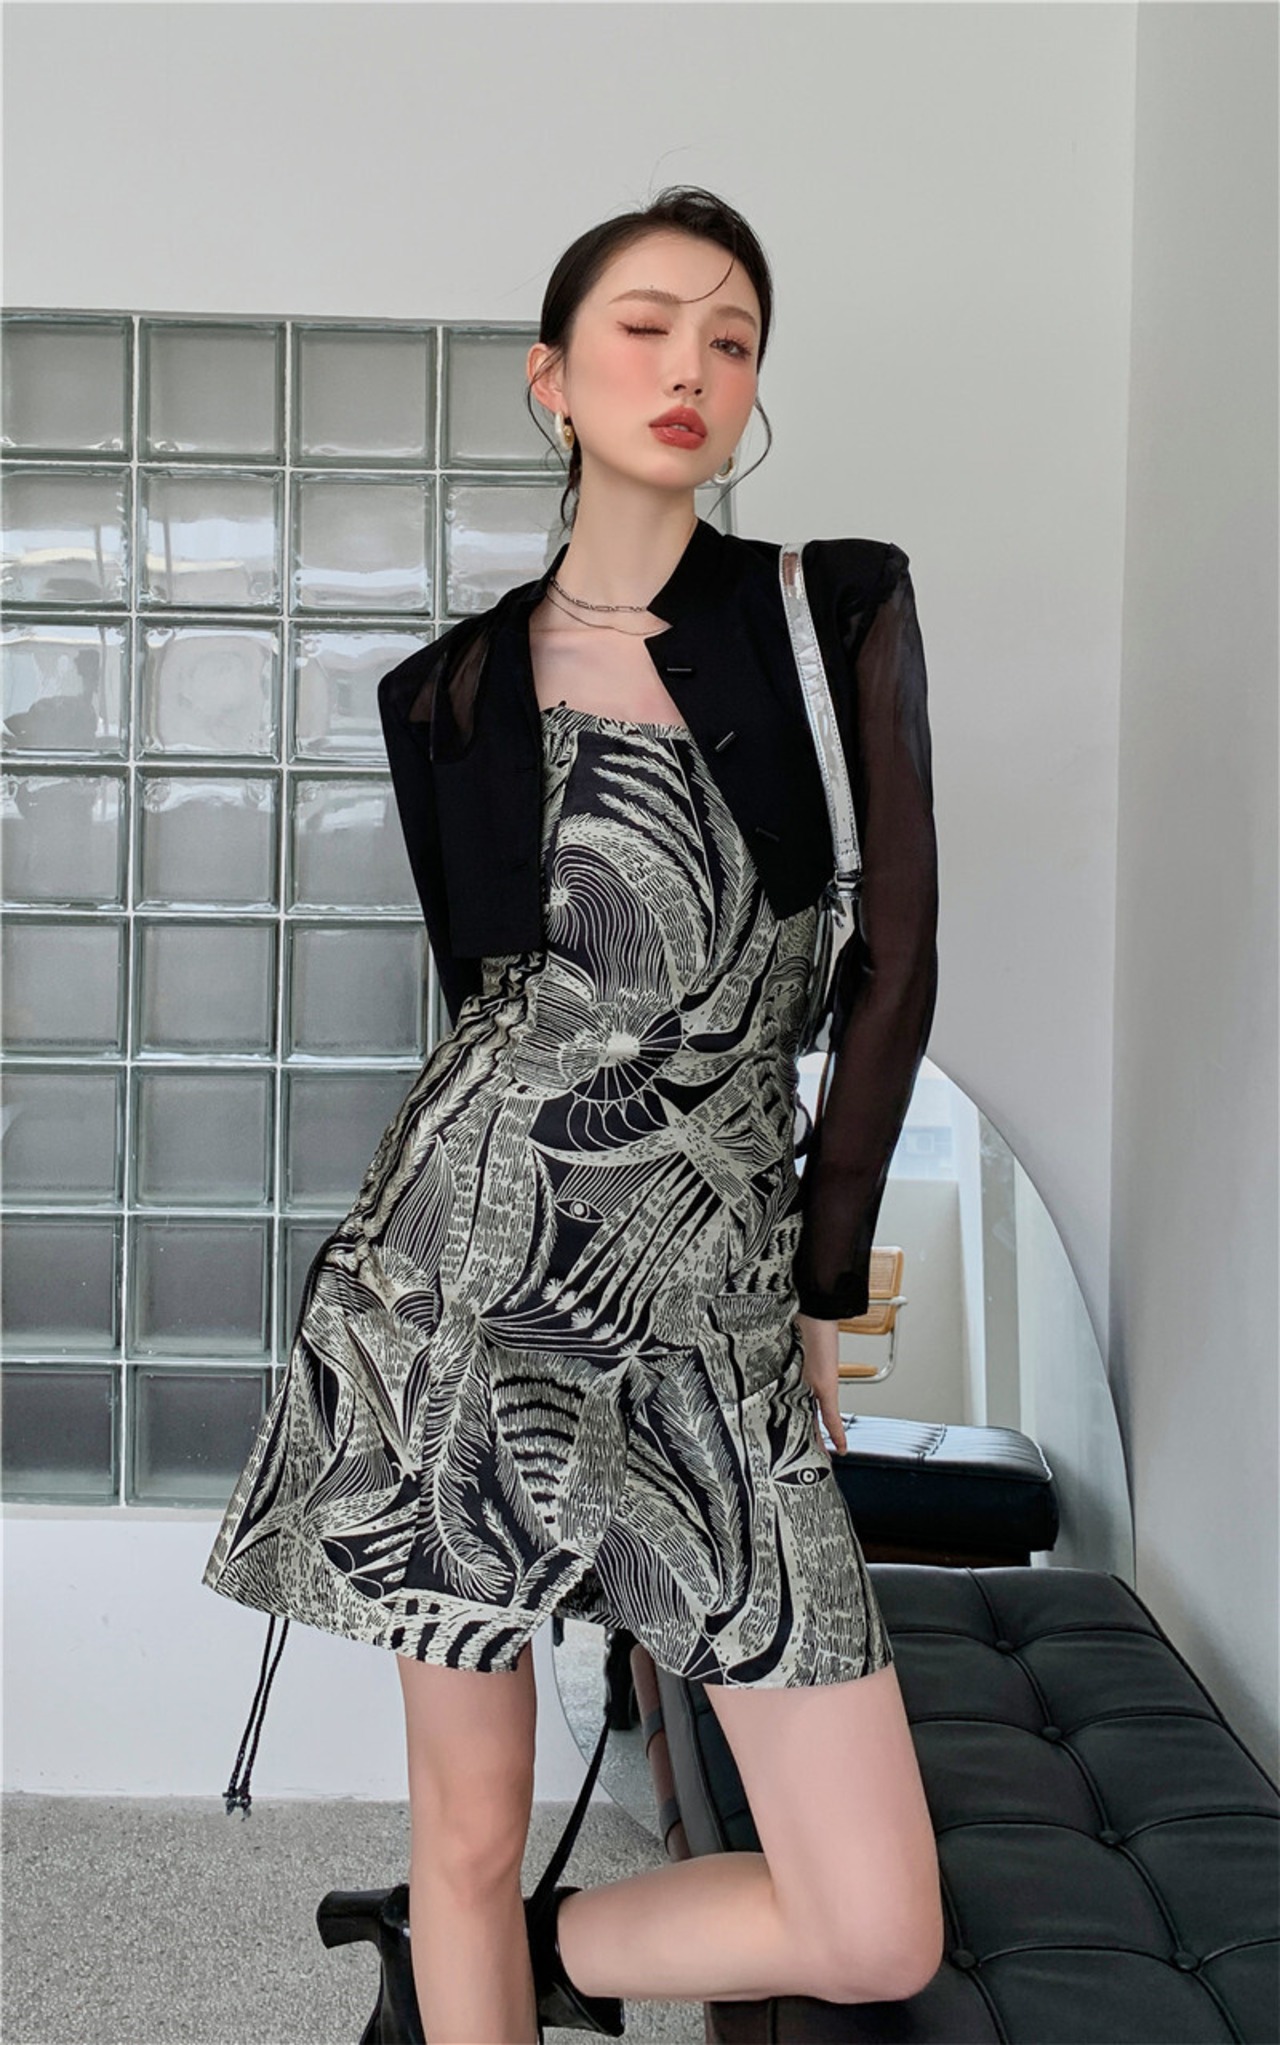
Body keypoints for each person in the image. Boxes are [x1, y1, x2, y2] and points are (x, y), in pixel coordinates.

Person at [203, 184, 944, 2042]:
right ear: (552, 377)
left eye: (732, 337)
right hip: (455, 1289)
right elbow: (493, 1012)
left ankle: (524, 1964)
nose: (691, 363)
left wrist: (822, 1287)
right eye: (645, 324)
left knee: (873, 1924)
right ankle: (463, 1944)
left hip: (712, 1306)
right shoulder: (447, 692)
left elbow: (894, 969)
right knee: (466, 1829)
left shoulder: (828, 608)